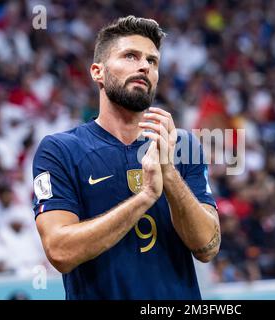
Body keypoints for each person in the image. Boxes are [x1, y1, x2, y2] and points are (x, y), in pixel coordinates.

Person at [32, 16, 220, 300]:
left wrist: (168, 173)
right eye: (130, 56)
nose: (144, 66)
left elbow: (207, 247)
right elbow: (60, 251)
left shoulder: (182, 145)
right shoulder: (60, 150)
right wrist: (144, 197)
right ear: (98, 72)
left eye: (152, 61)